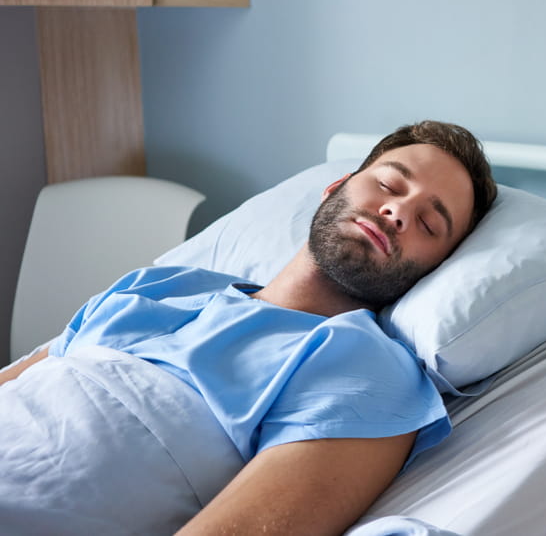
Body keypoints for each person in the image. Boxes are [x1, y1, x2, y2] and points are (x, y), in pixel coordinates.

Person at [0, 120, 497, 536]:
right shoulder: (161, 285)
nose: (398, 211)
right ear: (335, 186)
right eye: (388, 184)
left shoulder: (361, 367)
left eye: (431, 225)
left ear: (435, 269)